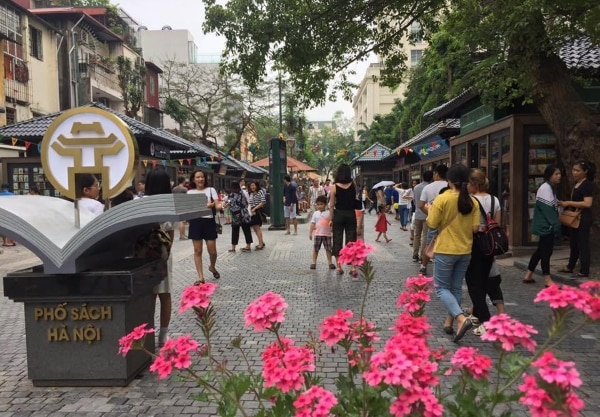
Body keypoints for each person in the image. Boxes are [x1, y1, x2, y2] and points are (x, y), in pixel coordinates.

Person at [426, 165, 479, 343]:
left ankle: (461, 318)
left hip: (445, 250)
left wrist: (430, 210)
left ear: (449, 181)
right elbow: (475, 228)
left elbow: (432, 224)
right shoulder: (472, 201)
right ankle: (454, 323)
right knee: (455, 288)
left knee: (441, 288)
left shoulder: (442, 199)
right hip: (465, 250)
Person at [465, 168, 504, 336]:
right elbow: (497, 224)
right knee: (483, 279)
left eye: (468, 183)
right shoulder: (495, 200)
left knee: (474, 283)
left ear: (473, 184)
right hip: (490, 244)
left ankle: (485, 320)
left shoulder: (470, 200)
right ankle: (479, 314)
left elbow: (469, 225)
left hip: (475, 243)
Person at [144, 167, 174, 348]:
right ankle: (163, 335)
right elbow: (170, 234)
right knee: (165, 294)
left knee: (148, 296)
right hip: (163, 254)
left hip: (143, 256)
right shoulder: (168, 204)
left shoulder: (140, 202)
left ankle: (147, 333)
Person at [523, 165, 561, 287]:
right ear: (549, 176)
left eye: (559, 174)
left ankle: (528, 274)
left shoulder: (550, 188)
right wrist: (556, 225)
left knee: (540, 251)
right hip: (546, 226)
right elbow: (547, 210)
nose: (559, 176)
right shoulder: (546, 188)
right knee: (546, 252)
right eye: (556, 174)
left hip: (545, 225)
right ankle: (547, 279)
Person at [558, 160, 595, 278]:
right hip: (574, 217)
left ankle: (584, 270)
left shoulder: (587, 185)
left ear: (585, 172)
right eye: (573, 170)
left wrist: (569, 203)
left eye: (577, 170)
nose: (574, 172)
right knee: (573, 243)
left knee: (582, 243)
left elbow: (587, 203)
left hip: (583, 217)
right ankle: (570, 266)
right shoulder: (576, 184)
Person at [187, 169, 221, 283]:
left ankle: (212, 266)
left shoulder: (211, 190)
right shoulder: (189, 193)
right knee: (198, 250)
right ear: (193, 179)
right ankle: (200, 277)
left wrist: (216, 205)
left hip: (208, 222)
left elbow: (217, 205)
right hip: (195, 222)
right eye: (197, 177)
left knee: (212, 251)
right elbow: (188, 208)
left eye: (202, 177)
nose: (200, 179)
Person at [418, 165, 449, 275]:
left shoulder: (428, 187)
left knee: (429, 243)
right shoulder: (450, 186)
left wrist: (431, 214)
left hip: (433, 222)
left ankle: (423, 266)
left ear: (436, 174)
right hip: (448, 222)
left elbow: (421, 205)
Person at [329, 164, 358, 276]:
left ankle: (339, 266)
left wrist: (331, 218)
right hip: (350, 214)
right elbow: (355, 199)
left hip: (338, 215)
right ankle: (353, 267)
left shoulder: (334, 187)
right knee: (351, 241)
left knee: (337, 239)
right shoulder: (353, 185)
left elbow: (332, 205)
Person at [309, 195, 336, 270]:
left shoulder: (329, 213)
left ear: (325, 204)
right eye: (318, 204)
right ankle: (313, 262)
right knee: (316, 249)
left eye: (321, 204)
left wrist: (333, 231)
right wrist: (310, 233)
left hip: (327, 235)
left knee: (328, 249)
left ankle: (330, 263)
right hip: (318, 234)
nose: (319, 206)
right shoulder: (315, 213)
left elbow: (332, 223)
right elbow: (312, 223)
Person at [412, 171, 433, 263]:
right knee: (425, 235)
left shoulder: (416, 187)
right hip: (426, 214)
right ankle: (422, 256)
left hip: (417, 213)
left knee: (417, 235)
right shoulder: (429, 187)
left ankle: (415, 254)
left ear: (422, 177)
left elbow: (414, 200)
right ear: (431, 178)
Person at [228, 181, 253, 252]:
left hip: (235, 215)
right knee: (246, 230)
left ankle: (233, 247)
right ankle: (248, 246)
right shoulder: (242, 193)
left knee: (235, 231)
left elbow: (230, 204)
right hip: (244, 214)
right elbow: (247, 203)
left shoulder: (231, 195)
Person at [248, 181, 266, 250]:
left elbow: (263, 202)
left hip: (257, 211)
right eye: (251, 185)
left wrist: (255, 208)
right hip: (252, 212)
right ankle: (261, 242)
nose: (252, 187)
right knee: (255, 228)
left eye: (254, 185)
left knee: (257, 228)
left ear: (256, 186)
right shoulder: (251, 194)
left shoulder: (260, 192)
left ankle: (260, 244)